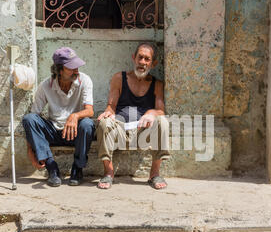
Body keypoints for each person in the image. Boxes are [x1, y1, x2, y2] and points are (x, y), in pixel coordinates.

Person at [96, 42, 170, 190]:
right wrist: (108, 112)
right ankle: (108, 173)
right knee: (103, 123)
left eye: (147, 59)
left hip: (143, 131)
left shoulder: (157, 84)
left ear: (153, 63)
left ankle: (154, 174)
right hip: (120, 130)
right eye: (140, 57)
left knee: (162, 121)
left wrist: (151, 113)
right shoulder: (119, 78)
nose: (142, 62)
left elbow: (161, 110)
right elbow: (111, 106)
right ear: (133, 58)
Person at [22, 47, 95, 187]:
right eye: (71, 68)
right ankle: (52, 168)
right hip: (53, 131)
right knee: (29, 119)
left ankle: (77, 169)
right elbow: (34, 116)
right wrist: (30, 150)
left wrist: (75, 116)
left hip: (75, 132)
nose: (76, 70)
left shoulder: (85, 80)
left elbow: (89, 111)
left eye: (77, 66)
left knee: (87, 124)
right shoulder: (45, 86)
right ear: (59, 70)